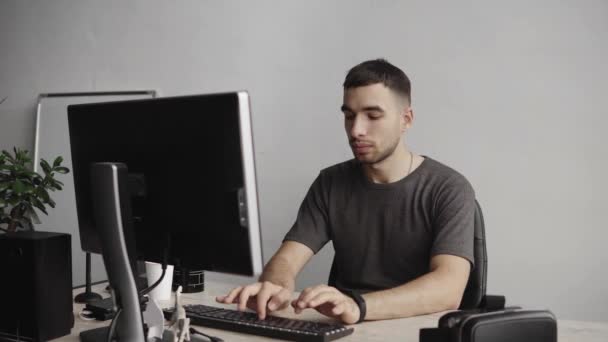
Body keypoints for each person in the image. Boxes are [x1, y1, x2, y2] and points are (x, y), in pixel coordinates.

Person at [217, 59, 475, 324]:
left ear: (406, 119)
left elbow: (449, 288)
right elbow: (287, 258)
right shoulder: (331, 182)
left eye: (373, 116)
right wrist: (275, 286)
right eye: (349, 115)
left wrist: (358, 306)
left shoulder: (449, 188)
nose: (356, 130)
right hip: (347, 328)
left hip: (415, 330)